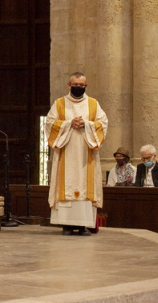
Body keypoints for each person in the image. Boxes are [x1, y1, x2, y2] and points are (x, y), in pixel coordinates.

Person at [46, 72, 108, 236]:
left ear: (86, 86)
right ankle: (66, 225)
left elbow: (103, 123)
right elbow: (49, 123)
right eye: (75, 85)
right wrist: (68, 124)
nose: (78, 88)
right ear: (69, 85)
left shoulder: (93, 104)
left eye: (81, 85)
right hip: (66, 153)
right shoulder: (59, 103)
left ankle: (82, 225)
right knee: (66, 185)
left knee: (84, 185)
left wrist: (86, 124)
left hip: (85, 156)